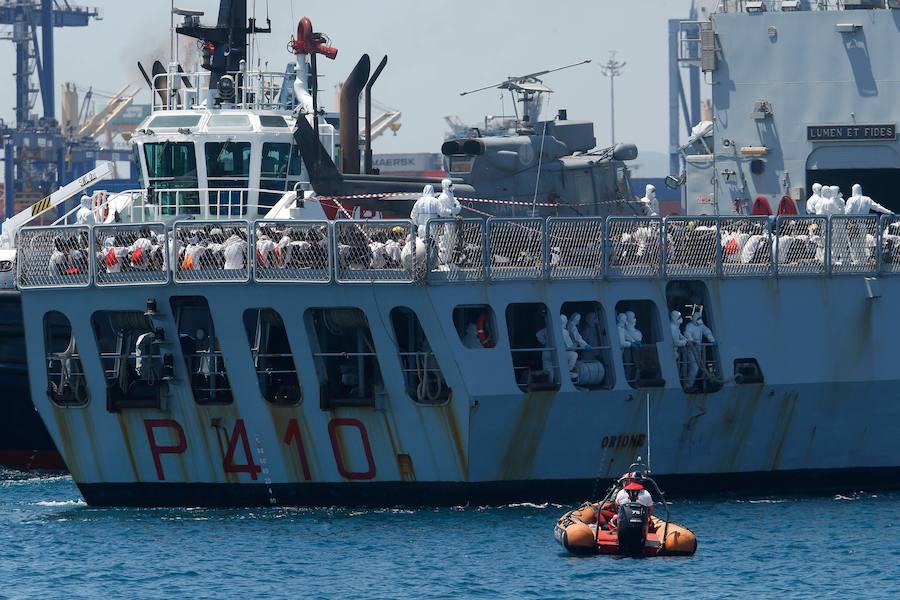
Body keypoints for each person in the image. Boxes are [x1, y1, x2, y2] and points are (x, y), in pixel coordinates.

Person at [683, 310, 716, 390]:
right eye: (698, 318)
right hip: (691, 350)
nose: (700, 320)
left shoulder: (701, 326)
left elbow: (707, 331)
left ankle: (698, 384)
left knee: (701, 367)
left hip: (699, 349)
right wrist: (692, 340)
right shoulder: (689, 326)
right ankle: (688, 385)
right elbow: (687, 334)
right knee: (694, 368)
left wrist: (712, 339)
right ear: (694, 319)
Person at [670, 310, 688, 383]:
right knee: (674, 371)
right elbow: (676, 342)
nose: (680, 318)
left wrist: (687, 340)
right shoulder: (672, 328)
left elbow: (680, 335)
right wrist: (685, 342)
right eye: (679, 317)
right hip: (672, 354)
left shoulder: (676, 327)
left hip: (675, 354)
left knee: (677, 370)